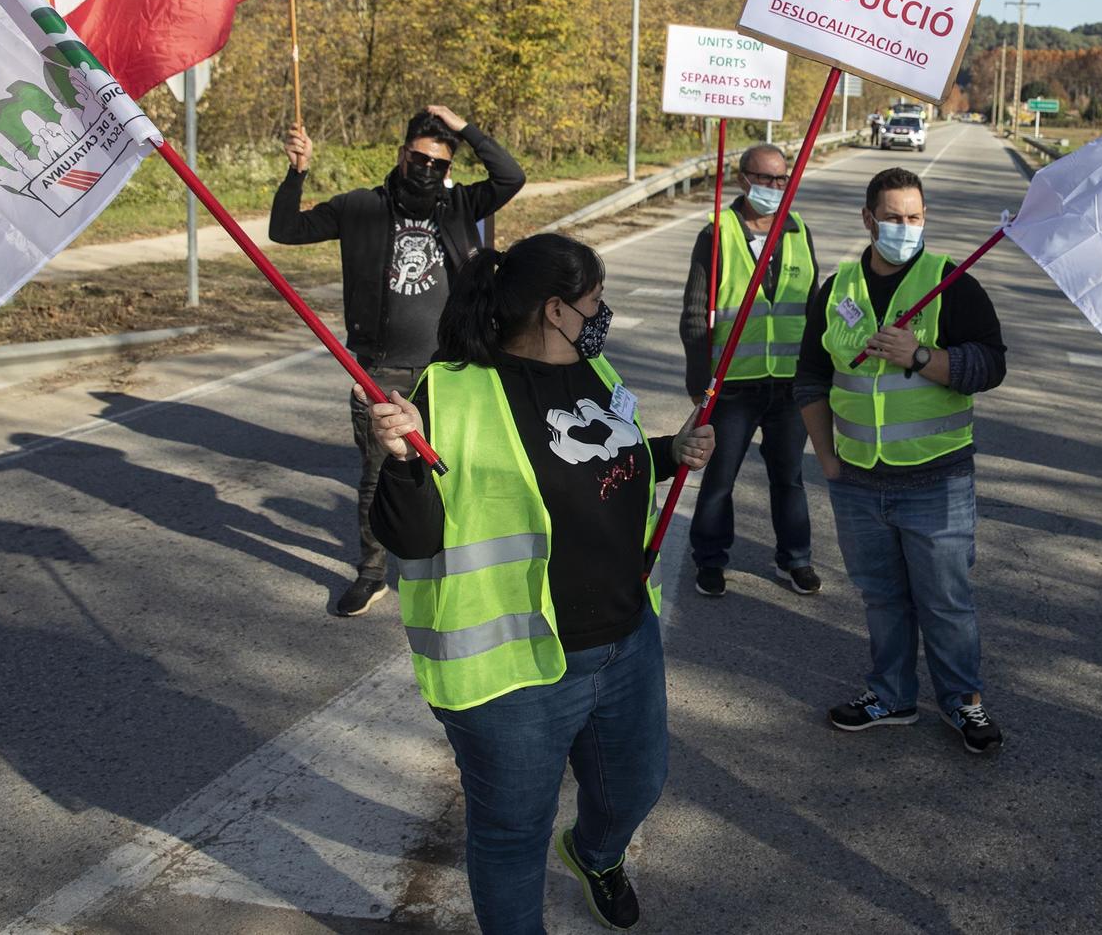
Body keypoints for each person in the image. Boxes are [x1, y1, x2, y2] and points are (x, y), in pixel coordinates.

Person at [364, 234, 715, 933]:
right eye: (594, 301)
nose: (601, 312)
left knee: (637, 786)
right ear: (556, 310)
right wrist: (401, 459)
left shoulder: (596, 367)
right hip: (512, 669)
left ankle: (595, 854)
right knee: (512, 836)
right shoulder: (453, 389)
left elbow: (598, 465)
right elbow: (409, 536)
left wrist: (668, 454)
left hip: (624, 639)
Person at [270, 105, 525, 617]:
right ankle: (372, 573)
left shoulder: (459, 207)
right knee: (377, 475)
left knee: (457, 470)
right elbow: (285, 230)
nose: (427, 170)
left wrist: (462, 128)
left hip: (451, 368)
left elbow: (510, 175)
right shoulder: (361, 208)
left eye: (439, 163)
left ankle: (452, 566)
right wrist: (298, 172)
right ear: (402, 154)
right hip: (379, 372)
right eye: (420, 158)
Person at [794, 167, 1010, 754]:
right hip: (858, 480)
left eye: (914, 217)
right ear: (868, 220)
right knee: (882, 598)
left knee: (945, 601)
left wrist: (920, 356)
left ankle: (964, 703)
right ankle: (890, 695)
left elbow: (990, 366)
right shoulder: (837, 289)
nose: (904, 228)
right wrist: (829, 462)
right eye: (892, 217)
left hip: (936, 480)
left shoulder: (953, 282)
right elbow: (810, 378)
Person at [677, 143, 820, 598]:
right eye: (766, 179)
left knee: (789, 477)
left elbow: (813, 309)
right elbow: (696, 313)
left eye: (782, 179)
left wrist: (816, 377)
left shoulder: (798, 231)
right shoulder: (717, 234)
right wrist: (701, 385)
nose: (776, 188)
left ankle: (795, 559)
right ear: (743, 180)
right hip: (732, 386)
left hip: (789, 385)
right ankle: (711, 560)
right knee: (720, 479)